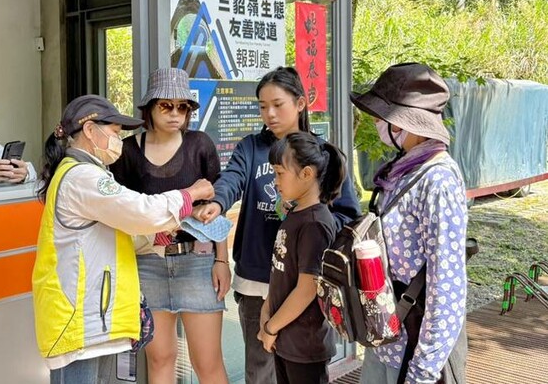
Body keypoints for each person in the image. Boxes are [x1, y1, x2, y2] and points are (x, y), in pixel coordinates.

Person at [32, 94, 216, 384]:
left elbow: (112, 233)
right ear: (91, 131)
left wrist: (156, 236)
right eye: (115, 133)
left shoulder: (87, 173)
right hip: (80, 320)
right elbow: (139, 210)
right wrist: (189, 194)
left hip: (93, 319)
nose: (120, 141)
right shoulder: (83, 177)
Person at [195, 66, 360, 384]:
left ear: (300, 104)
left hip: (304, 283)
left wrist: (307, 214)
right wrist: (217, 203)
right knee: (260, 372)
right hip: (256, 280)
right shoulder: (251, 147)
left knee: (301, 368)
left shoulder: (321, 155)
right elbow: (232, 179)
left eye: (277, 104)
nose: (269, 113)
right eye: (262, 106)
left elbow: (347, 217)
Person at [350, 63, 468, 384]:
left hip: (416, 351)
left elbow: (448, 285)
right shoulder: (404, 170)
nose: (376, 122)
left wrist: (424, 369)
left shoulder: (438, 180)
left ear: (409, 123)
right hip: (387, 339)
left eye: (382, 116)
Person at [110, 68, 229, 384]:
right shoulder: (127, 151)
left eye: (183, 107)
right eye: (166, 105)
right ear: (149, 107)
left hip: (198, 261)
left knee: (208, 363)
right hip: (147, 263)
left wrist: (221, 260)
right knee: (159, 359)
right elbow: (122, 211)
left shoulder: (200, 144)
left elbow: (216, 208)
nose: (176, 113)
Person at [256, 131, 343, 384]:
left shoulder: (316, 223)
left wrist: (271, 327)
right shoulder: (296, 213)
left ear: (307, 174)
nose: (275, 181)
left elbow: (307, 288)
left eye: (280, 173)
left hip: (306, 344)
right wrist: (267, 315)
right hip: (286, 337)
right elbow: (282, 272)